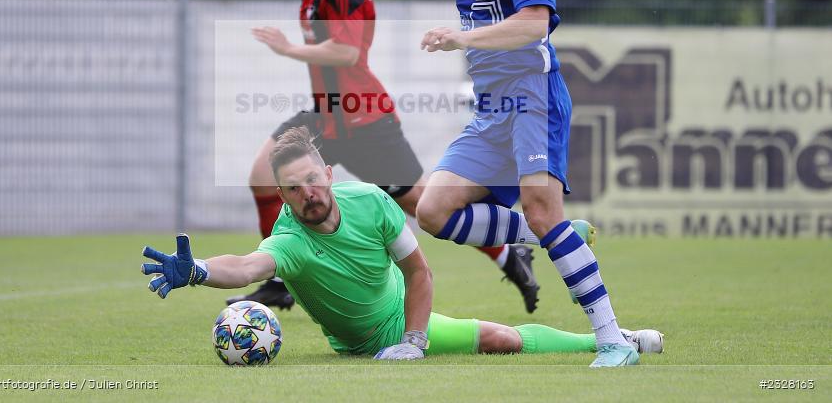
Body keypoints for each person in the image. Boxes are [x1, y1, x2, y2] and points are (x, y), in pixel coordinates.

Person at [234, 0, 544, 313]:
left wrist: (287, 47)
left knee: (421, 206)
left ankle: (508, 252)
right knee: (263, 174)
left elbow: (346, 53)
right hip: (327, 115)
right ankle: (278, 282)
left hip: (364, 120)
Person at [141, 127, 664, 360]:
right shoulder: (289, 238)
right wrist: (201, 270)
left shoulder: (371, 200)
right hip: (357, 345)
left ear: (328, 172)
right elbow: (250, 265)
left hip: (401, 318)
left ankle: (612, 338)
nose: (308, 195)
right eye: (293, 189)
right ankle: (551, 236)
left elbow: (420, 273)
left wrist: (412, 342)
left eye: (313, 180)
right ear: (282, 194)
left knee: (501, 339)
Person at [414, 0, 640, 367]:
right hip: (490, 110)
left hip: (533, 100)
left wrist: (462, 39)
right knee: (432, 210)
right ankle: (555, 233)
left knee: (541, 210)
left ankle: (612, 341)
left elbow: (535, 23)